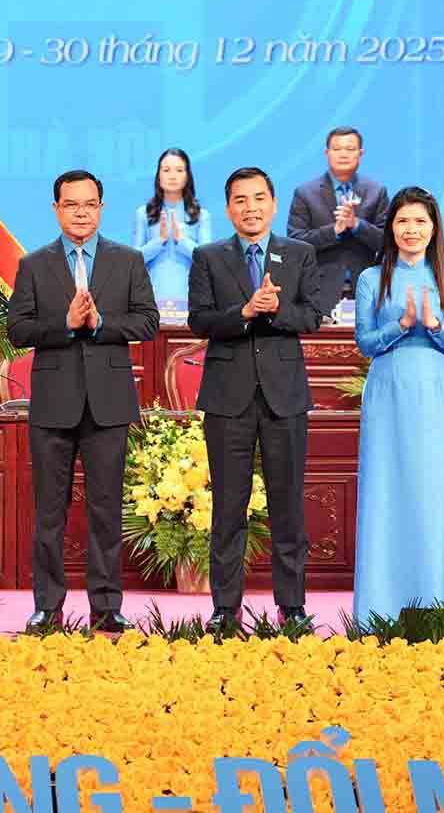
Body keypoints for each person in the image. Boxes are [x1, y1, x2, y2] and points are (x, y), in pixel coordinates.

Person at [6, 169, 159, 633]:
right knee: (49, 512)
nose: (81, 213)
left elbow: (147, 322)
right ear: (56, 209)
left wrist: (100, 324)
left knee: (106, 509)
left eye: (89, 204)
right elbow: (18, 331)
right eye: (71, 204)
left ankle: (107, 606)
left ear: (101, 208)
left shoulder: (128, 260)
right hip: (53, 404)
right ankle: (48, 606)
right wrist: (67, 323)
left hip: (109, 404)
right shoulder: (34, 265)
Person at [188, 167, 324, 632]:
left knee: (288, 506)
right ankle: (226, 608)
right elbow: (200, 321)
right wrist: (244, 312)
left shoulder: (299, 253)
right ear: (228, 208)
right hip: (228, 399)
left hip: (284, 398)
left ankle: (293, 606)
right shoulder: (208, 257)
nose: (251, 207)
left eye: (259, 198)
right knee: (228, 507)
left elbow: (311, 316)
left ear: (273, 202)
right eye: (240, 200)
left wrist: (276, 310)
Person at [353, 187, 444, 620]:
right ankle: (379, 610)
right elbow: (365, 342)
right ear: (391, 228)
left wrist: (435, 325)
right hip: (388, 389)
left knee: (434, 493)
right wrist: (400, 327)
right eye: (403, 221)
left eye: (420, 222)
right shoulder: (372, 278)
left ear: (434, 228)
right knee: (386, 491)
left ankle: (438, 604)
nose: (411, 230)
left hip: (435, 392)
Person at [286, 127, 390, 316]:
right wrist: (334, 230)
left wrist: (357, 225)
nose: (343, 154)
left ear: (360, 153)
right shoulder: (305, 193)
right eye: (337, 149)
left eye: (350, 149)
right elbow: (295, 243)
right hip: (320, 290)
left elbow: (388, 242)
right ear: (327, 153)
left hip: (366, 289)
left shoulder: (376, 191)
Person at [130, 148, 214, 302]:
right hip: (152, 298)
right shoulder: (143, 213)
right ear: (158, 176)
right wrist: (159, 241)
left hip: (192, 298)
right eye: (166, 170)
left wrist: (181, 240)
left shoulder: (202, 216)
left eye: (179, 170)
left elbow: (208, 261)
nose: (172, 176)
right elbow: (134, 261)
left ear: (188, 176)